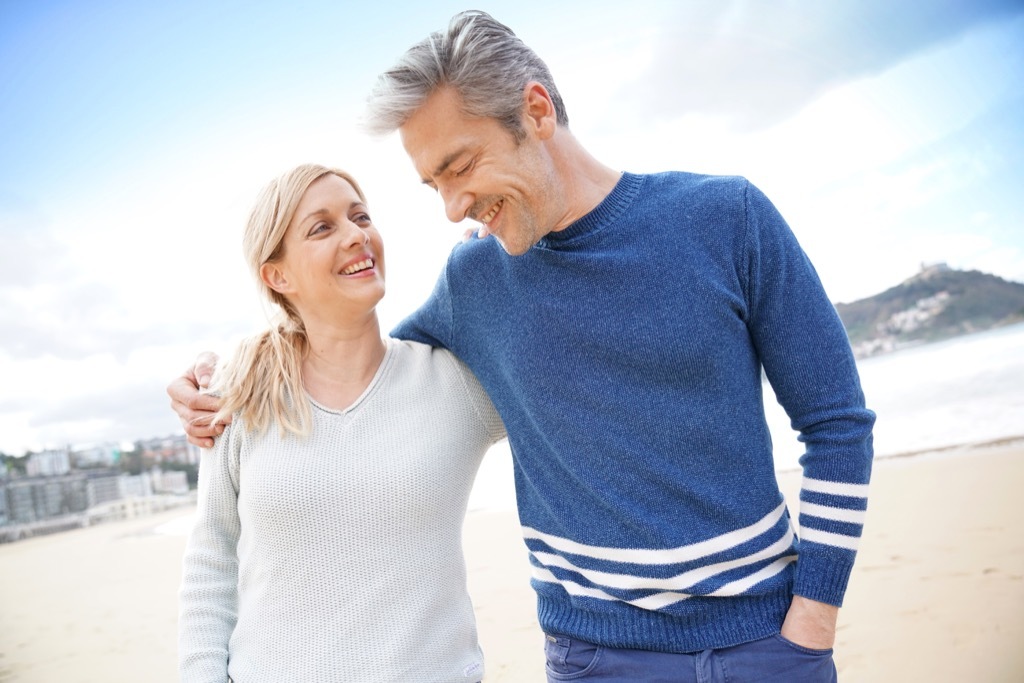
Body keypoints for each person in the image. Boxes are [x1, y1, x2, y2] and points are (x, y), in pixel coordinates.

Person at [171, 11, 875, 682]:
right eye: (432, 183)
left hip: (768, 642)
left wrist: (814, 615)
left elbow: (836, 422)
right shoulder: (474, 280)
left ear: (536, 111)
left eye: (460, 166)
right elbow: (351, 354)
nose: (451, 206)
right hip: (596, 657)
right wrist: (223, 373)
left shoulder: (728, 218)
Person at [176, 163, 504, 683]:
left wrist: (513, 267)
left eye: (360, 217)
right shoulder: (240, 394)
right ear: (277, 276)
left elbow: (567, 386)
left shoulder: (456, 383)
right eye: (322, 227)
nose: (357, 235)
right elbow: (212, 556)